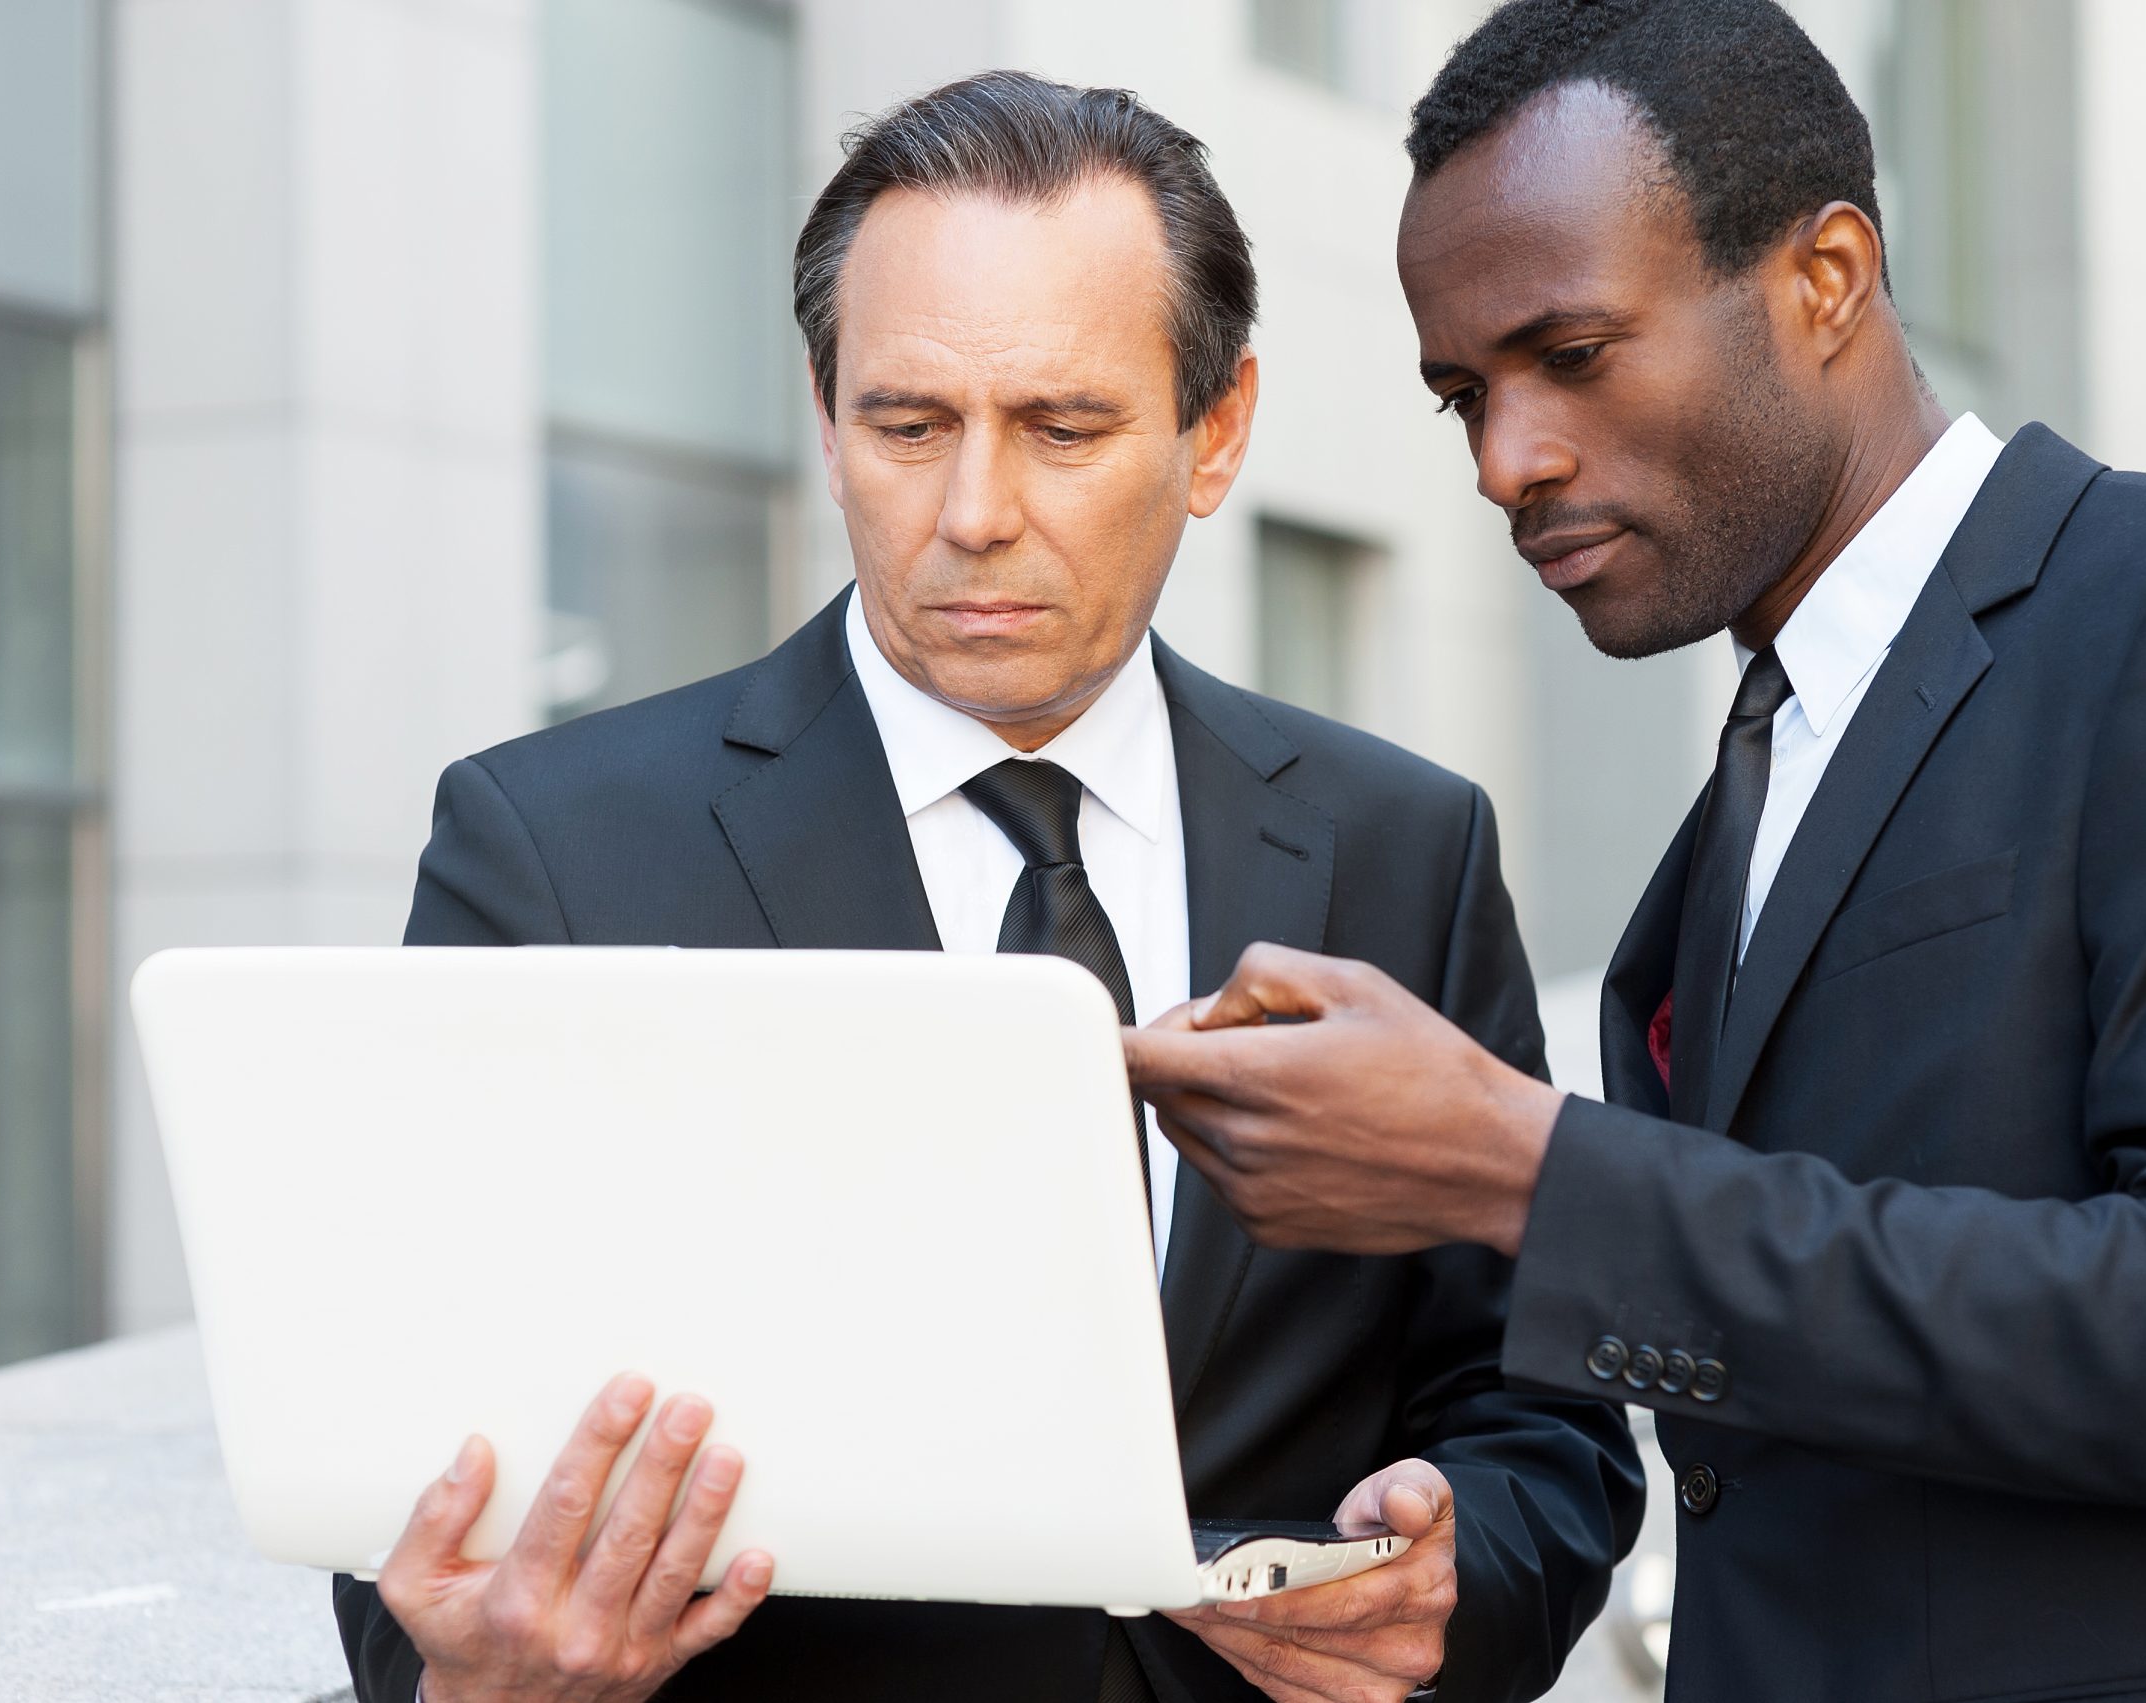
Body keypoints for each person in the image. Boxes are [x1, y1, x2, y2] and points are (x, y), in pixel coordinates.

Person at [1122, 5, 2146, 1701]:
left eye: (1575, 353)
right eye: (1466, 392)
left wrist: (1527, 1171)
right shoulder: (1737, 821)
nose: (1504, 459)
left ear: (1826, 277)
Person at [331, 71, 1640, 1703]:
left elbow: (1539, 1419)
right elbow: (409, 1486)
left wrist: (1448, 1578)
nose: (972, 516)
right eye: (907, 425)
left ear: (1214, 431)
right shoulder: (553, 847)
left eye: (1064, 429)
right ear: (825, 420)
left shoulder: (1402, 847)